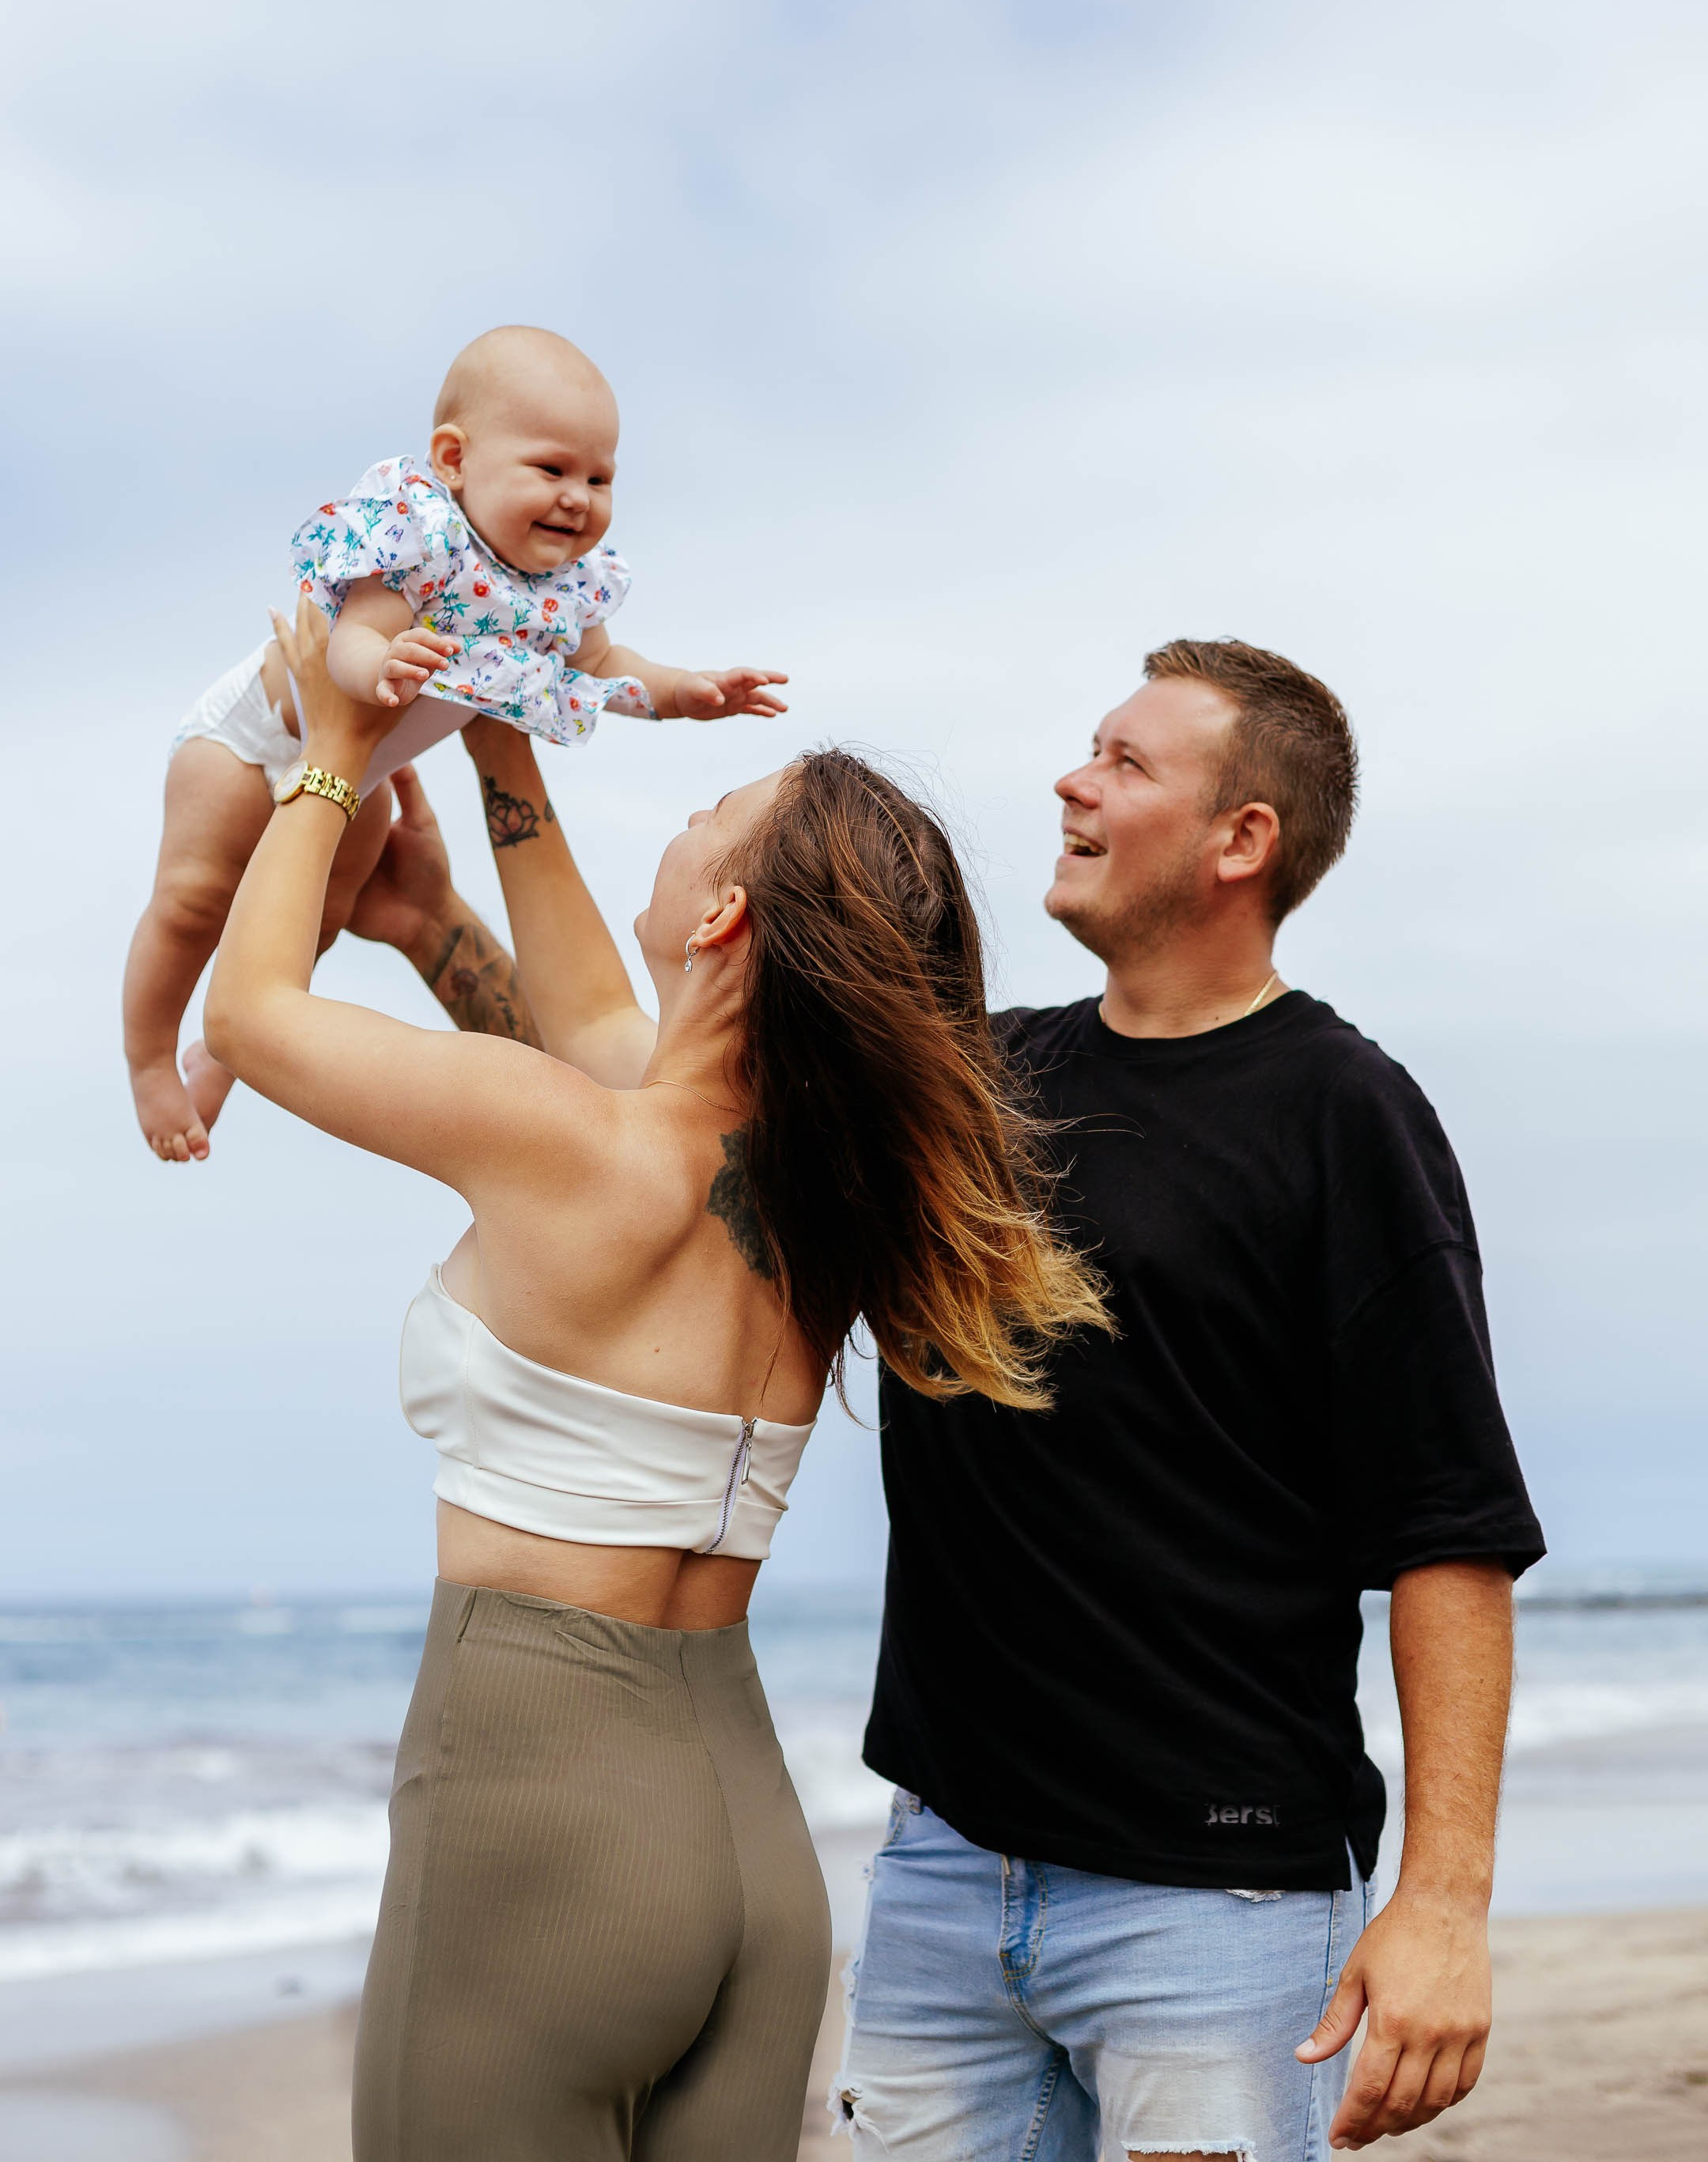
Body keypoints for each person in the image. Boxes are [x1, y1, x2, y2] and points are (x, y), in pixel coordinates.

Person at [199, 592, 1108, 2162]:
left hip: (539, 1813)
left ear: (725, 915)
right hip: (748, 1850)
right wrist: (489, 744)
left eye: (712, 814)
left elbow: (252, 1015)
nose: (684, 821)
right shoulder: (818, 1201)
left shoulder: (573, 1142)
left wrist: (335, 750)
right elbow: (599, 1027)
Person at [841, 638, 1546, 2158]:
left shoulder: (1344, 1114)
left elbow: (1450, 1530)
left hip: (1216, 1906)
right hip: (944, 1874)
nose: (1071, 782)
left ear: (1243, 840)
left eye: (1125, 762)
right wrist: (441, 913)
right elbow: (665, 1115)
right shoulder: (984, 1085)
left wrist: (1443, 1904)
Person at [124, 323, 785, 1164]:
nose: (578, 498)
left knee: (320, 916)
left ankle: (218, 1063)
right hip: (253, 740)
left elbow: (602, 665)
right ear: (454, 459)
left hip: (358, 771)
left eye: (599, 478)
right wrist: (381, 666)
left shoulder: (563, 587)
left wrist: (679, 694)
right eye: (551, 470)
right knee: (191, 902)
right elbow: (350, 643)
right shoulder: (424, 536)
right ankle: (151, 1058)